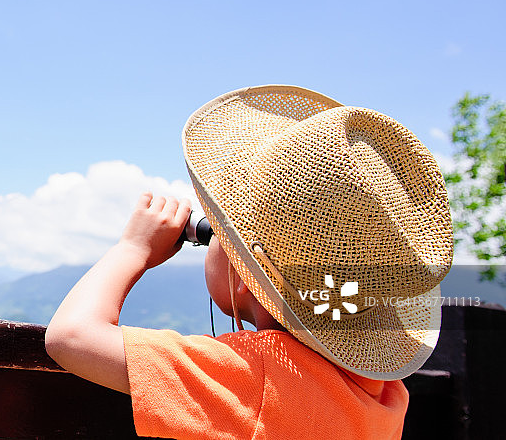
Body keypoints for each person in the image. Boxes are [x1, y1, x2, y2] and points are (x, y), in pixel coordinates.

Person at [45, 85, 453, 439]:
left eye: (220, 235)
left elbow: (72, 337)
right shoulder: (384, 391)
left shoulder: (256, 373)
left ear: (246, 279)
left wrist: (132, 249)